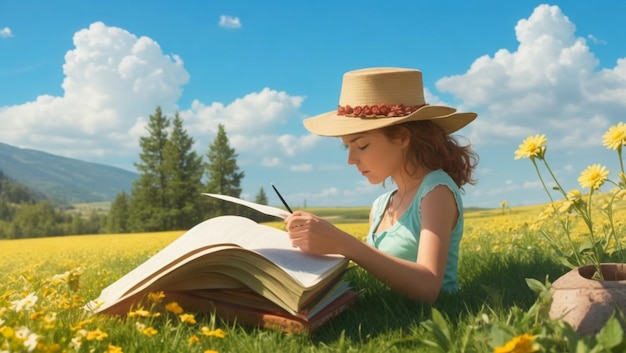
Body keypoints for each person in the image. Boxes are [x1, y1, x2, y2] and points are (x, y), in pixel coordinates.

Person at [284, 67, 478, 304]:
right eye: (348, 147)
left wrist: (345, 243)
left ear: (402, 138)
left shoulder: (436, 191)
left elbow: (428, 288)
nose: (351, 159)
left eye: (362, 145)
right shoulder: (380, 206)